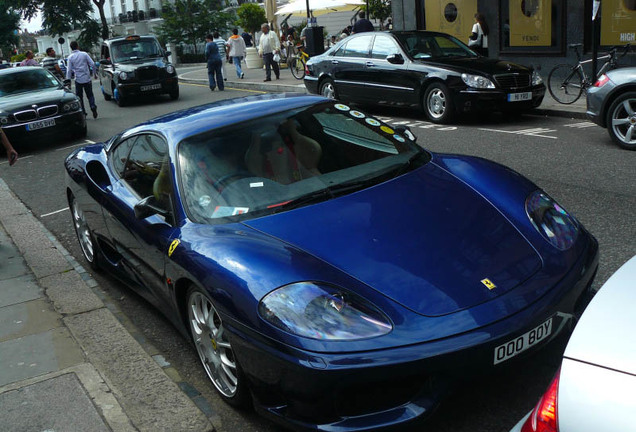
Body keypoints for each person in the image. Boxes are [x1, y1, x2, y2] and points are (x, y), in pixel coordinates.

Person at [66, 41, 98, 119]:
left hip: (78, 80)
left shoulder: (70, 57)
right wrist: (94, 74)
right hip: (87, 78)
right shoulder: (84, 54)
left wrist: (68, 81)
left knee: (80, 97)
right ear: (77, 46)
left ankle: (83, 112)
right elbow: (92, 64)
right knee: (90, 95)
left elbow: (69, 70)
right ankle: (92, 106)